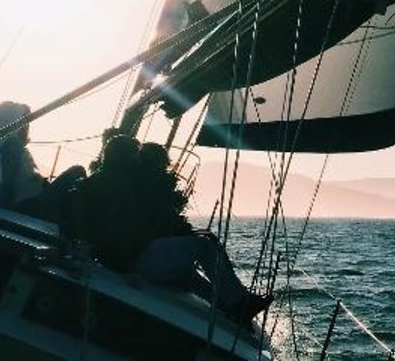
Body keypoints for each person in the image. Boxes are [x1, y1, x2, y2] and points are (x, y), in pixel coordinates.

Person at [70, 136, 270, 324]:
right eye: (134, 153)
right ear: (125, 156)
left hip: (120, 261)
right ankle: (238, 302)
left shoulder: (96, 184)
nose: (137, 158)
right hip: (134, 261)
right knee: (203, 246)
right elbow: (129, 228)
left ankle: (229, 306)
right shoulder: (124, 186)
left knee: (186, 272)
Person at [0, 101, 85, 221]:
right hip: (29, 208)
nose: (27, 127)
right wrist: (3, 216)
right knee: (77, 171)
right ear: (14, 122)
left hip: (22, 205)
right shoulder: (12, 145)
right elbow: (6, 183)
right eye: (24, 123)